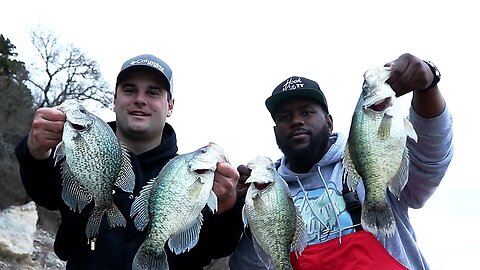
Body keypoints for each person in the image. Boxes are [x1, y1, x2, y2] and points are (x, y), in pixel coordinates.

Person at [15, 54, 244, 269]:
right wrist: (34, 151)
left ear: (170, 106)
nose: (140, 100)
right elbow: (43, 192)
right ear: (114, 100)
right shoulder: (79, 150)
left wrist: (227, 208)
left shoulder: (191, 174)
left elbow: (219, 246)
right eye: (129, 90)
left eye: (153, 92)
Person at [229, 53, 453, 270]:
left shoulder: (368, 160)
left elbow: (430, 159)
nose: (296, 121)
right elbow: (246, 265)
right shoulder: (268, 190)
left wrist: (428, 84)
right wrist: (246, 217)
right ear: (276, 132)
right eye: (285, 117)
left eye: (306, 112)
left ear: (329, 122)